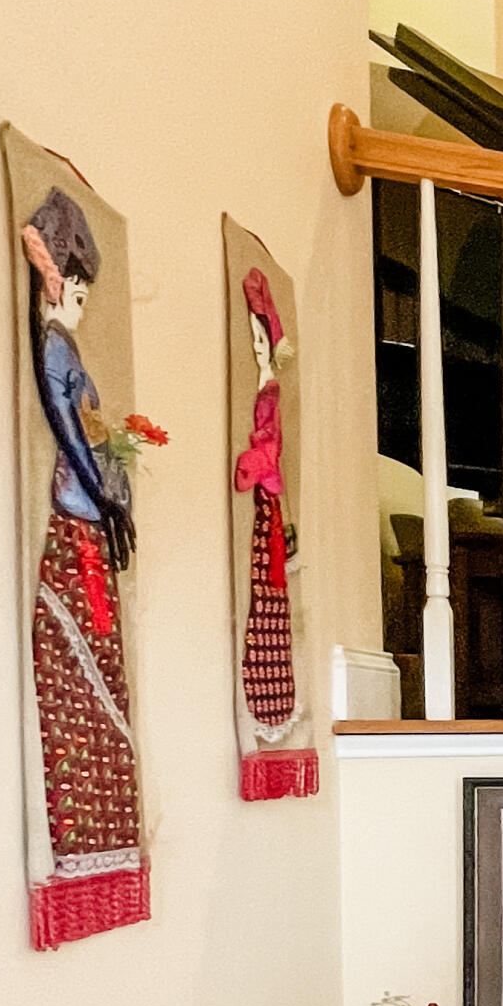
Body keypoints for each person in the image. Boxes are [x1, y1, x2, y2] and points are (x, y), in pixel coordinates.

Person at [21, 188, 142, 884]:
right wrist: (102, 490)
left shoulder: (65, 346)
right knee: (80, 647)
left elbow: (92, 432)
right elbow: (72, 433)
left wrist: (114, 487)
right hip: (76, 513)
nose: (82, 305)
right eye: (80, 291)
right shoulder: (53, 349)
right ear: (58, 282)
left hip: (92, 515)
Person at [235, 268, 296, 727]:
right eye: (254, 341)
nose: (259, 350)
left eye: (263, 340)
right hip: (264, 500)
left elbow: (268, 450)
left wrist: (257, 466)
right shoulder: (261, 392)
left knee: (271, 595)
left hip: (267, 500)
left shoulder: (270, 394)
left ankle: (272, 697)